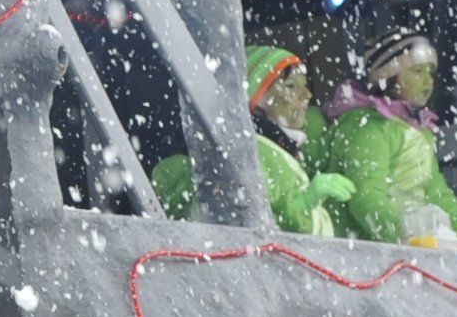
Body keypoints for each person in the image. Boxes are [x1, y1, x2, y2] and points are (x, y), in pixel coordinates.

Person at [312, 27, 457, 253]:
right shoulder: (367, 128)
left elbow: (438, 195)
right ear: (389, 77)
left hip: (415, 247)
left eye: (431, 71)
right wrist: (405, 241)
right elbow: (366, 198)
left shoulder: (419, 131)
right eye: (417, 71)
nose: (428, 80)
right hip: (369, 253)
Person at [152, 44, 360, 234]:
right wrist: (303, 204)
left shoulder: (274, 150)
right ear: (256, 96)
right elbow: (245, 229)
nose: (306, 94)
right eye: (290, 86)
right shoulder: (251, 153)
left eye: (304, 86)